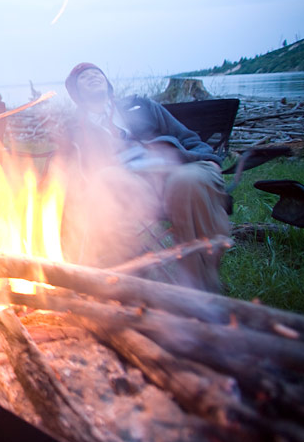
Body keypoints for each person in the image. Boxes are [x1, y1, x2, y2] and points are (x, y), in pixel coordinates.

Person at [58, 62, 230, 292]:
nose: (92, 76)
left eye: (96, 72)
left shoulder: (141, 106)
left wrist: (210, 159)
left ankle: (200, 289)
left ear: (107, 83)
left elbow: (187, 137)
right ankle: (133, 286)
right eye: (83, 77)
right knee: (109, 177)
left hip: (179, 167)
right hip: (132, 182)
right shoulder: (75, 129)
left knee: (187, 182)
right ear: (76, 93)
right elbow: (71, 169)